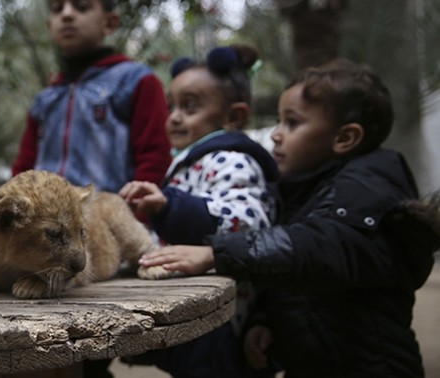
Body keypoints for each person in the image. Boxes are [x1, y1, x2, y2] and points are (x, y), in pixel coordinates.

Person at [139, 59, 440, 377]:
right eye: (279, 122)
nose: (276, 136)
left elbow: (315, 248)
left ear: (345, 138)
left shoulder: (366, 189)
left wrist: (217, 252)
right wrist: (265, 322)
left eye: (292, 123)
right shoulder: (301, 188)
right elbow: (292, 279)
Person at [119, 45, 279, 377]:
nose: (174, 116)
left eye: (189, 106)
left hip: (223, 320)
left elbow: (249, 222)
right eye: (171, 106)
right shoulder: (191, 161)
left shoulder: (232, 159)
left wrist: (169, 205)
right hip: (196, 314)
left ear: (233, 117)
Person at [11, 0, 171, 193]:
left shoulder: (136, 81)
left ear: (109, 23)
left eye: (82, 6)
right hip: (44, 219)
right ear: (49, 25)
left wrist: (137, 216)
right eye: (57, 9)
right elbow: (23, 167)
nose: (67, 14)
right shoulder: (46, 98)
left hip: (108, 218)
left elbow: (155, 157)